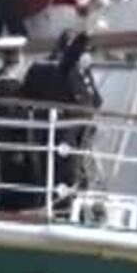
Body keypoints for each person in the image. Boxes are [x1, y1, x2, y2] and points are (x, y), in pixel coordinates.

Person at [20, 30, 102, 209]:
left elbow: (96, 101)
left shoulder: (83, 73)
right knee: (65, 176)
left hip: (82, 136)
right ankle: (64, 211)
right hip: (65, 136)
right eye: (87, 52)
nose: (90, 57)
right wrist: (86, 35)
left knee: (80, 177)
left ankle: (75, 210)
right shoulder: (63, 68)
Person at [0, 37, 40, 212]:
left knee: (11, 187)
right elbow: (14, 120)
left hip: (10, 147)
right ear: (18, 57)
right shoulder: (7, 85)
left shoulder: (2, 81)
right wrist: (18, 148)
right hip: (16, 148)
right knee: (17, 189)